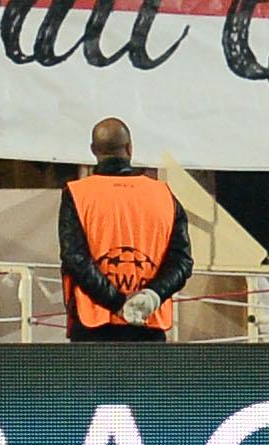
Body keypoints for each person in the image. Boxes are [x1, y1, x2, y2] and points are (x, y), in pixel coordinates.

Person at [59, 118, 192, 340]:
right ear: (130, 148)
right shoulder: (164, 195)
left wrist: (117, 303)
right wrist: (151, 296)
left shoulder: (77, 194)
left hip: (93, 323)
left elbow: (75, 258)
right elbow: (182, 261)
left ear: (93, 150)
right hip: (148, 322)